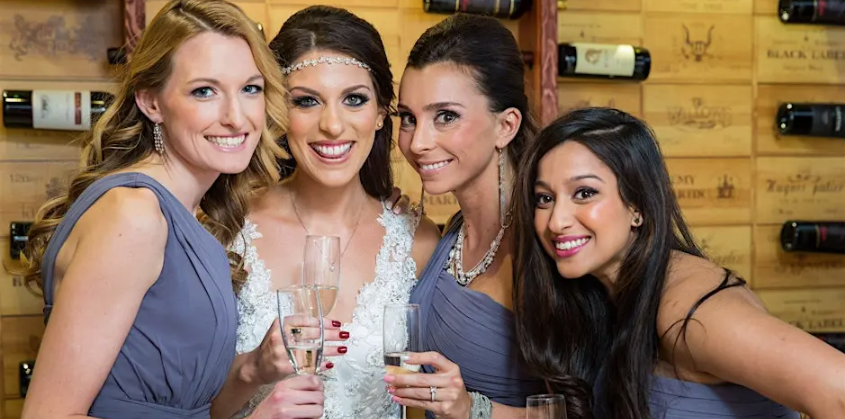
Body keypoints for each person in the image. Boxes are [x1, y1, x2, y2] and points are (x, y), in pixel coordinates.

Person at [18, 1, 326, 418]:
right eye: (205, 91)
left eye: (250, 88)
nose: (236, 117)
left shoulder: (185, 215)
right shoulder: (134, 215)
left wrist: (253, 369)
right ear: (151, 101)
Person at [512, 107, 845, 419]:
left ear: (637, 207)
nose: (556, 221)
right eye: (545, 198)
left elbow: (839, 391)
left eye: (584, 193)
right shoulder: (605, 294)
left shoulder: (691, 311)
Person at [211, 6, 442, 419]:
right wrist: (250, 371)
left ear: (380, 114)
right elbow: (190, 407)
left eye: (354, 99)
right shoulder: (227, 229)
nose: (332, 125)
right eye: (306, 102)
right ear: (278, 113)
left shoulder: (420, 244)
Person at [386, 13, 547, 419]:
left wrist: (474, 410)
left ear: (505, 126)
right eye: (409, 118)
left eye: (446, 116)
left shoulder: (544, 245)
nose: (418, 142)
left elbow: (592, 407)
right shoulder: (452, 235)